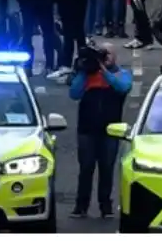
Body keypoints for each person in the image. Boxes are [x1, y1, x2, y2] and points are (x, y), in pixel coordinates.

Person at [67, 42, 132, 219]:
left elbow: (123, 87)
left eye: (108, 54)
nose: (106, 57)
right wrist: (83, 70)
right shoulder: (88, 74)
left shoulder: (122, 73)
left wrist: (104, 71)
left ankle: (106, 206)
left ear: (115, 56)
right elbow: (74, 93)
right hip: (87, 130)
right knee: (86, 168)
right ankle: (81, 206)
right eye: (103, 54)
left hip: (111, 131)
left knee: (107, 169)